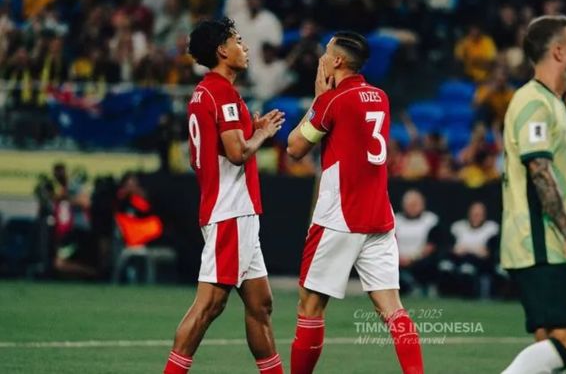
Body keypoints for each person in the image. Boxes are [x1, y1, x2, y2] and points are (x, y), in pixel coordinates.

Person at [286, 31, 424, 374]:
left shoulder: (334, 100)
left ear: (336, 61)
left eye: (325, 53)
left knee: (310, 306)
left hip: (340, 215)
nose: (321, 58)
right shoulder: (380, 97)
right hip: (379, 215)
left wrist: (318, 100)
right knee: (393, 309)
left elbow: (294, 148)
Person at [163, 18, 285, 374]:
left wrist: (253, 128)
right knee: (209, 306)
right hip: (230, 211)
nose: (244, 47)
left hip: (234, 210)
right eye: (238, 40)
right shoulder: (221, 92)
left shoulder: (207, 92)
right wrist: (262, 135)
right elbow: (236, 152)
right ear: (222, 51)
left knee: (260, 305)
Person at [500, 15, 566, 374]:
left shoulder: (550, 102)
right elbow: (539, 171)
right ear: (558, 52)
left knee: (547, 342)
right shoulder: (533, 102)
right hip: (540, 241)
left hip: (535, 240)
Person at [395, 189, 441, 296]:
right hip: (398, 260)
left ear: (422, 205)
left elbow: (431, 246)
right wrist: (398, 258)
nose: (412, 207)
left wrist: (412, 258)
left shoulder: (430, 220)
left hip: (420, 260)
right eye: (409, 204)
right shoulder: (396, 220)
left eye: (415, 204)